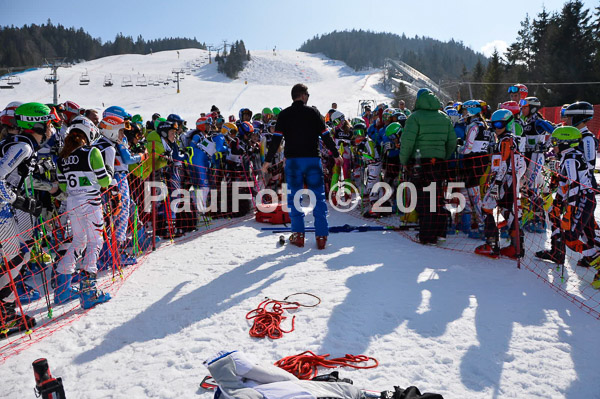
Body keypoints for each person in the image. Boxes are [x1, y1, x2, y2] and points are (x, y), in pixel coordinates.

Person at [262, 83, 342, 249]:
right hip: (312, 160)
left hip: (293, 162)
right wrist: (336, 154)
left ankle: (298, 236)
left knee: (294, 198)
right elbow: (326, 136)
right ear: (303, 95)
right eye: (308, 94)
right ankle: (321, 237)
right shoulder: (313, 112)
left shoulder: (284, 115)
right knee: (318, 198)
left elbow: (276, 140)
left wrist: (268, 161)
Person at [55, 116, 112, 309]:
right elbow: (105, 182)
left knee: (78, 241)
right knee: (96, 241)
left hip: (73, 202)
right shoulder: (92, 152)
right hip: (91, 201)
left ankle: (62, 289)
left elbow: (63, 185)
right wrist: (109, 172)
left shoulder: (61, 157)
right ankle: (89, 291)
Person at [399, 88, 456, 245]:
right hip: (438, 164)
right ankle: (440, 233)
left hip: (419, 164)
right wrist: (442, 156)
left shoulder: (414, 118)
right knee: (437, 198)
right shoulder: (444, 118)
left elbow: (407, 142)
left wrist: (404, 160)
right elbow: (452, 142)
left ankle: (427, 236)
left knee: (424, 200)